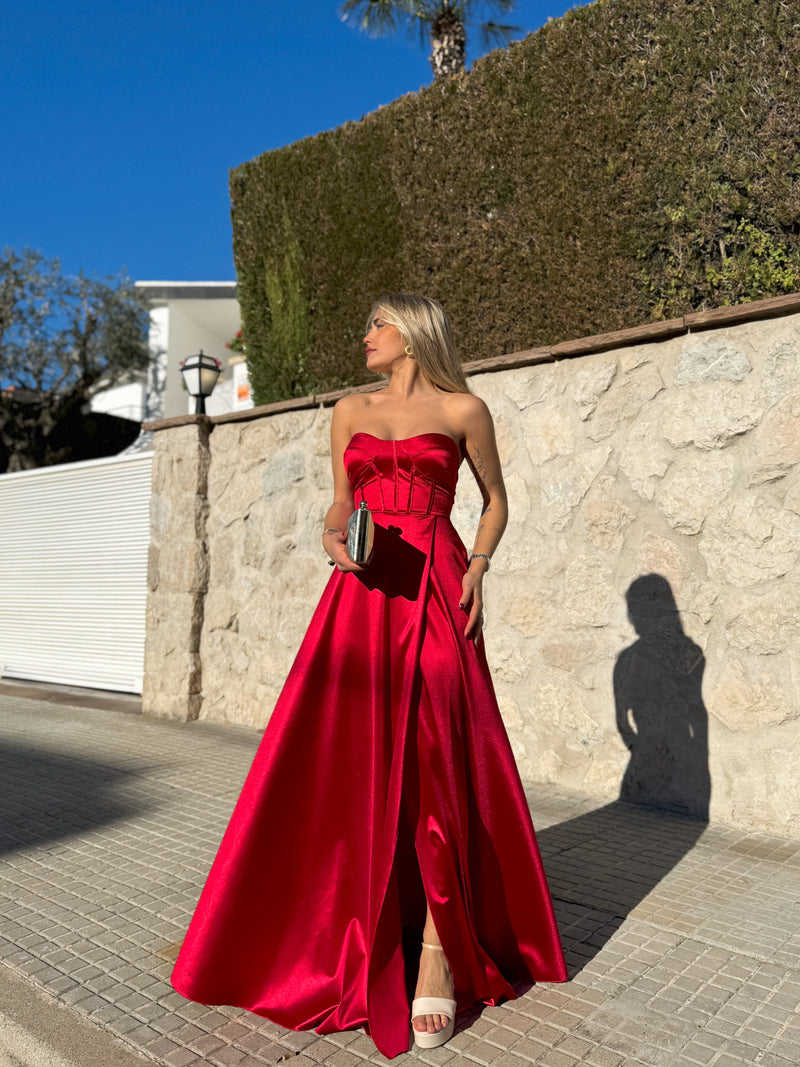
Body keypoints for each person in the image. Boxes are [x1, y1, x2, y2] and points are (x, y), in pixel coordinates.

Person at [170, 294, 567, 1058]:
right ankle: (345, 927)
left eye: (376, 324)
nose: (364, 336)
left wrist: (479, 566)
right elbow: (337, 506)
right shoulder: (347, 412)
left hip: (439, 588)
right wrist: (331, 536)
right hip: (361, 595)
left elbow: (495, 503)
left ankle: (436, 953)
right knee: (350, 760)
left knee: (441, 755)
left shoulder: (464, 410)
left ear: (412, 331)